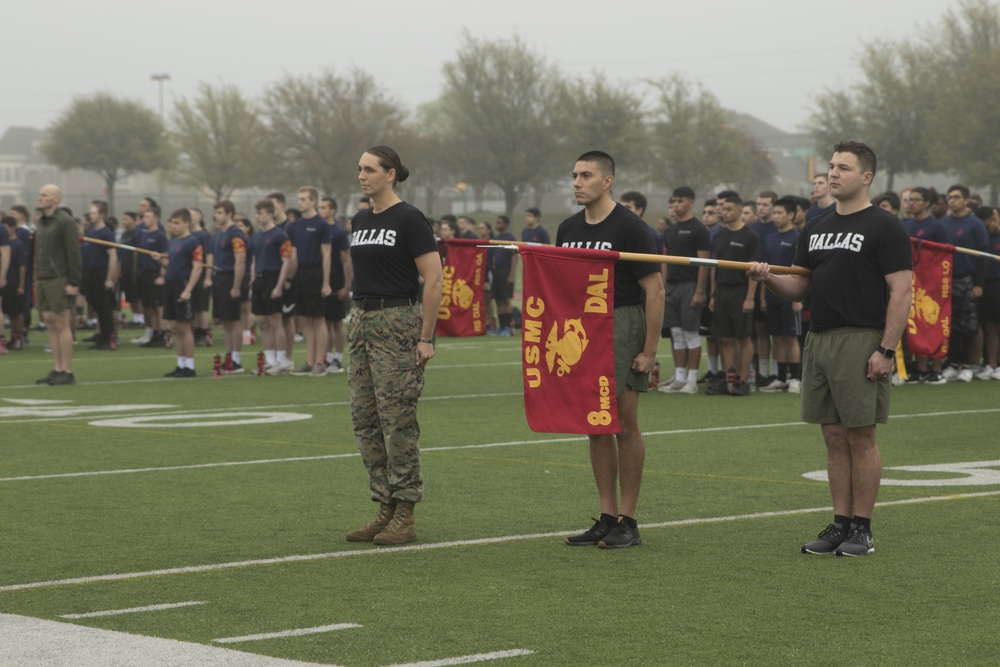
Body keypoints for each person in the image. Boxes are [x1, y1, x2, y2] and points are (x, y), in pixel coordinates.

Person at [748, 141, 913, 557]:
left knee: (861, 436)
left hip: (861, 338)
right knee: (833, 435)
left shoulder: (886, 226)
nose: (834, 173)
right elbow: (800, 287)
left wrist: (886, 350)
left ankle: (862, 530)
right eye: (832, 166)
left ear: (866, 177)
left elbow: (901, 290)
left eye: (844, 167)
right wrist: (768, 279)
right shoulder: (816, 226)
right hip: (819, 338)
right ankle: (840, 525)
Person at [559, 150, 663, 549]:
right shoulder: (567, 228)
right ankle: (606, 516)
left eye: (586, 175)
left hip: (622, 322)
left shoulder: (632, 227)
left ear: (607, 181)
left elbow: (654, 290)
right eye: (574, 175)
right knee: (595, 423)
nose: (577, 182)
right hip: (584, 328)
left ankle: (628, 520)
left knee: (624, 422)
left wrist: (649, 350)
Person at [346, 145, 443, 546]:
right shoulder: (359, 219)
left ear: (390, 174)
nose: (362, 175)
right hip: (362, 321)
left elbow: (434, 279)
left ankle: (405, 510)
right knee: (365, 419)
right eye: (359, 168)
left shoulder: (409, 218)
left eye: (370, 169)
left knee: (397, 419)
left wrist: (426, 337)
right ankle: (384, 505)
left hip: (398, 321)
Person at [658, 186, 710, 395]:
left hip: (690, 285)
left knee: (690, 333)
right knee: (676, 333)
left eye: (680, 201)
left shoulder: (699, 229)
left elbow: (704, 262)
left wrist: (699, 290)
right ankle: (679, 378)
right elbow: (664, 261)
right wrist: (663, 288)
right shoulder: (670, 230)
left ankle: (692, 380)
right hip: (672, 287)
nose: (676, 205)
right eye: (674, 201)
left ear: (691, 202)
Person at [707, 193, 759, 396]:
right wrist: (712, 295)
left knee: (743, 338)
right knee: (725, 338)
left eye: (729, 209)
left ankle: (744, 380)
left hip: (740, 291)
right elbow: (714, 267)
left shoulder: (750, 236)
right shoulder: (718, 235)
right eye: (723, 209)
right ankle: (729, 379)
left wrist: (750, 297)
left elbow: (754, 270)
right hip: (721, 292)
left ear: (739, 210)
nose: (724, 212)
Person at [34, 185, 83, 385]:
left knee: (61, 322)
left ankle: (67, 370)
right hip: (43, 276)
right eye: (40, 195)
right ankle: (57, 368)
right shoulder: (41, 222)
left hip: (58, 276)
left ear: (56, 198)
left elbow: (73, 252)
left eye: (44, 195)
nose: (40, 198)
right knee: (49, 322)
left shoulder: (65, 221)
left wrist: (73, 281)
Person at [940, 185, 989, 382]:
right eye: (949, 197)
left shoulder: (975, 224)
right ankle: (952, 363)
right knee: (949, 323)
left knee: (968, 325)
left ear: (966, 200)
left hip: (967, 279)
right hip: (946, 279)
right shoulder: (944, 223)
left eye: (956, 197)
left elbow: (983, 256)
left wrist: (978, 284)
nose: (952, 200)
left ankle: (967, 364)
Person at [901, 187, 949, 384]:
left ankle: (936, 368)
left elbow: (944, 254)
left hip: (933, 281)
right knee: (916, 323)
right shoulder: (905, 224)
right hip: (912, 280)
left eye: (916, 200)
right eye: (909, 200)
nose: (911, 203)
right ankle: (920, 368)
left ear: (927, 203)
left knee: (934, 322)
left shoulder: (937, 226)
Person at [758, 198, 802, 393]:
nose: (775, 217)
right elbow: (764, 271)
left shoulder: (798, 238)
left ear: (791, 215)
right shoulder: (769, 238)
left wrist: (798, 299)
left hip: (790, 295)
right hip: (771, 295)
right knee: (776, 337)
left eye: (779, 213)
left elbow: (801, 272)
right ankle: (781, 377)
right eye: (774, 213)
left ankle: (795, 378)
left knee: (790, 337)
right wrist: (762, 297)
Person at [154, 209, 204, 378]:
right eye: (172, 223)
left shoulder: (193, 242)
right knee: (175, 327)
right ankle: (181, 364)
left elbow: (197, 267)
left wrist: (188, 289)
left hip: (182, 284)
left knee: (184, 326)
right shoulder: (174, 242)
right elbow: (171, 266)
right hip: (170, 284)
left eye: (177, 223)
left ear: (187, 223)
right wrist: (160, 261)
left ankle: (189, 366)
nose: (173, 226)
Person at [249, 199, 294, 375]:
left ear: (269, 214)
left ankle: (282, 361)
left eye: (260, 213)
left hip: (273, 278)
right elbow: (254, 261)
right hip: (259, 280)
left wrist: (279, 286)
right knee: (263, 321)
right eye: (256, 213)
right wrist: (252, 283)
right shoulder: (256, 236)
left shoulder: (280, 235)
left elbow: (286, 261)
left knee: (276, 320)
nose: (257, 217)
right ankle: (270, 360)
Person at [212, 200, 249, 373]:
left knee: (234, 320)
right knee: (225, 320)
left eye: (220, 213)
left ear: (229, 214)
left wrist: (236, 286)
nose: (217, 216)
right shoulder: (219, 234)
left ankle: (236, 359)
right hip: (219, 278)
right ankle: (229, 356)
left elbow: (240, 261)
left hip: (230, 278)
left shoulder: (236, 234)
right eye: (216, 213)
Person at [319, 196, 352, 374]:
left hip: (335, 279)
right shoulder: (318, 229)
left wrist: (346, 286)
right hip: (321, 279)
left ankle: (337, 358)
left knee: (336, 321)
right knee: (323, 321)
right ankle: (326, 357)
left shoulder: (338, 232)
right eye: (319, 207)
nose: (320, 210)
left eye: (324, 207)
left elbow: (346, 260)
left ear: (332, 210)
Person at [81, 200, 118, 350]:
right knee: (96, 306)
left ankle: (108, 338)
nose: (91, 215)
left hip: (101, 272)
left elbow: (113, 256)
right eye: (91, 213)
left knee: (104, 308)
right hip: (90, 272)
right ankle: (101, 336)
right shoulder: (91, 230)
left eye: (94, 213)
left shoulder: (106, 233)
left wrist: (109, 279)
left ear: (102, 214)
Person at [1, 217, 27, 349]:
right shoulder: (5, 243)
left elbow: (22, 266)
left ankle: (18, 337)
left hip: (13, 280)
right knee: (9, 311)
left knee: (17, 311)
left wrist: (21, 285)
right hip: (5, 280)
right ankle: (12, 337)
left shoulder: (18, 244)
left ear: (12, 228)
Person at [491, 215, 517, 336]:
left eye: (499, 223)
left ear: (506, 224)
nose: (497, 225)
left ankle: (508, 327)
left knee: (506, 299)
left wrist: (511, 275)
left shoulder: (510, 238)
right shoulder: (496, 238)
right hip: (496, 271)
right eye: (496, 222)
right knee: (498, 300)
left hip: (506, 271)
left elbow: (514, 257)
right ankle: (501, 326)